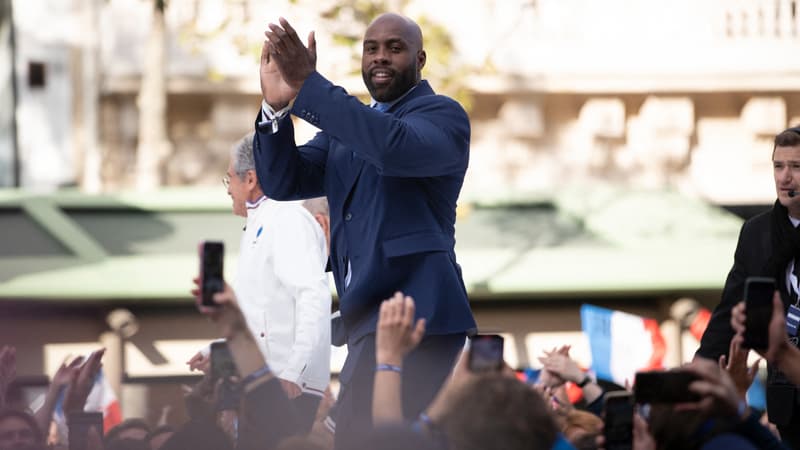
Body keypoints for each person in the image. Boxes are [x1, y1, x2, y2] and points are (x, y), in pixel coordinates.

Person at [253, 13, 476, 448]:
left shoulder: (442, 115)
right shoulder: (348, 128)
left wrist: (310, 86)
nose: (380, 58)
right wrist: (278, 107)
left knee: (375, 439)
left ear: (420, 59)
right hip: (365, 322)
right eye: (371, 48)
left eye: (395, 48)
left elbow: (390, 147)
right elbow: (283, 181)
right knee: (356, 439)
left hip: (418, 319)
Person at [189, 133, 331, 432]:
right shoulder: (262, 223)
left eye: (229, 180)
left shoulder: (288, 218)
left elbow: (312, 295)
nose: (229, 190)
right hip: (268, 378)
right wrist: (217, 350)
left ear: (250, 179)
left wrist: (294, 371)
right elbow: (261, 317)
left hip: (285, 383)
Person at [696, 125, 800, 447]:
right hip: (785, 406)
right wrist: (696, 372)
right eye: (778, 166)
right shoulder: (757, 233)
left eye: (796, 167)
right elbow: (730, 308)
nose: (785, 177)